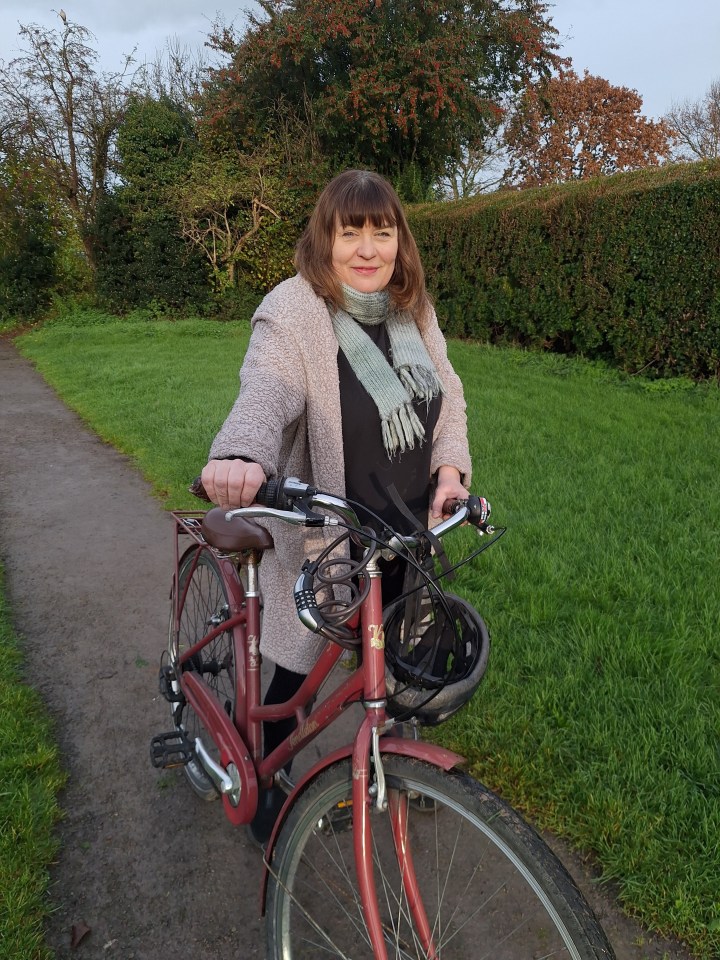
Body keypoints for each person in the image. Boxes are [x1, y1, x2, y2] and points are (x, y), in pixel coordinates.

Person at [200, 169, 472, 843]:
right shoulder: (295, 310)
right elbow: (268, 383)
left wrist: (449, 471)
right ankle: (267, 779)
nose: (369, 248)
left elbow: (449, 396)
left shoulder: (414, 309)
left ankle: (401, 764)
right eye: (351, 232)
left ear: (399, 240)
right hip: (333, 526)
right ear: (325, 239)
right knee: (299, 672)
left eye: (382, 231)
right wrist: (241, 453)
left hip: (407, 524)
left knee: (401, 654)